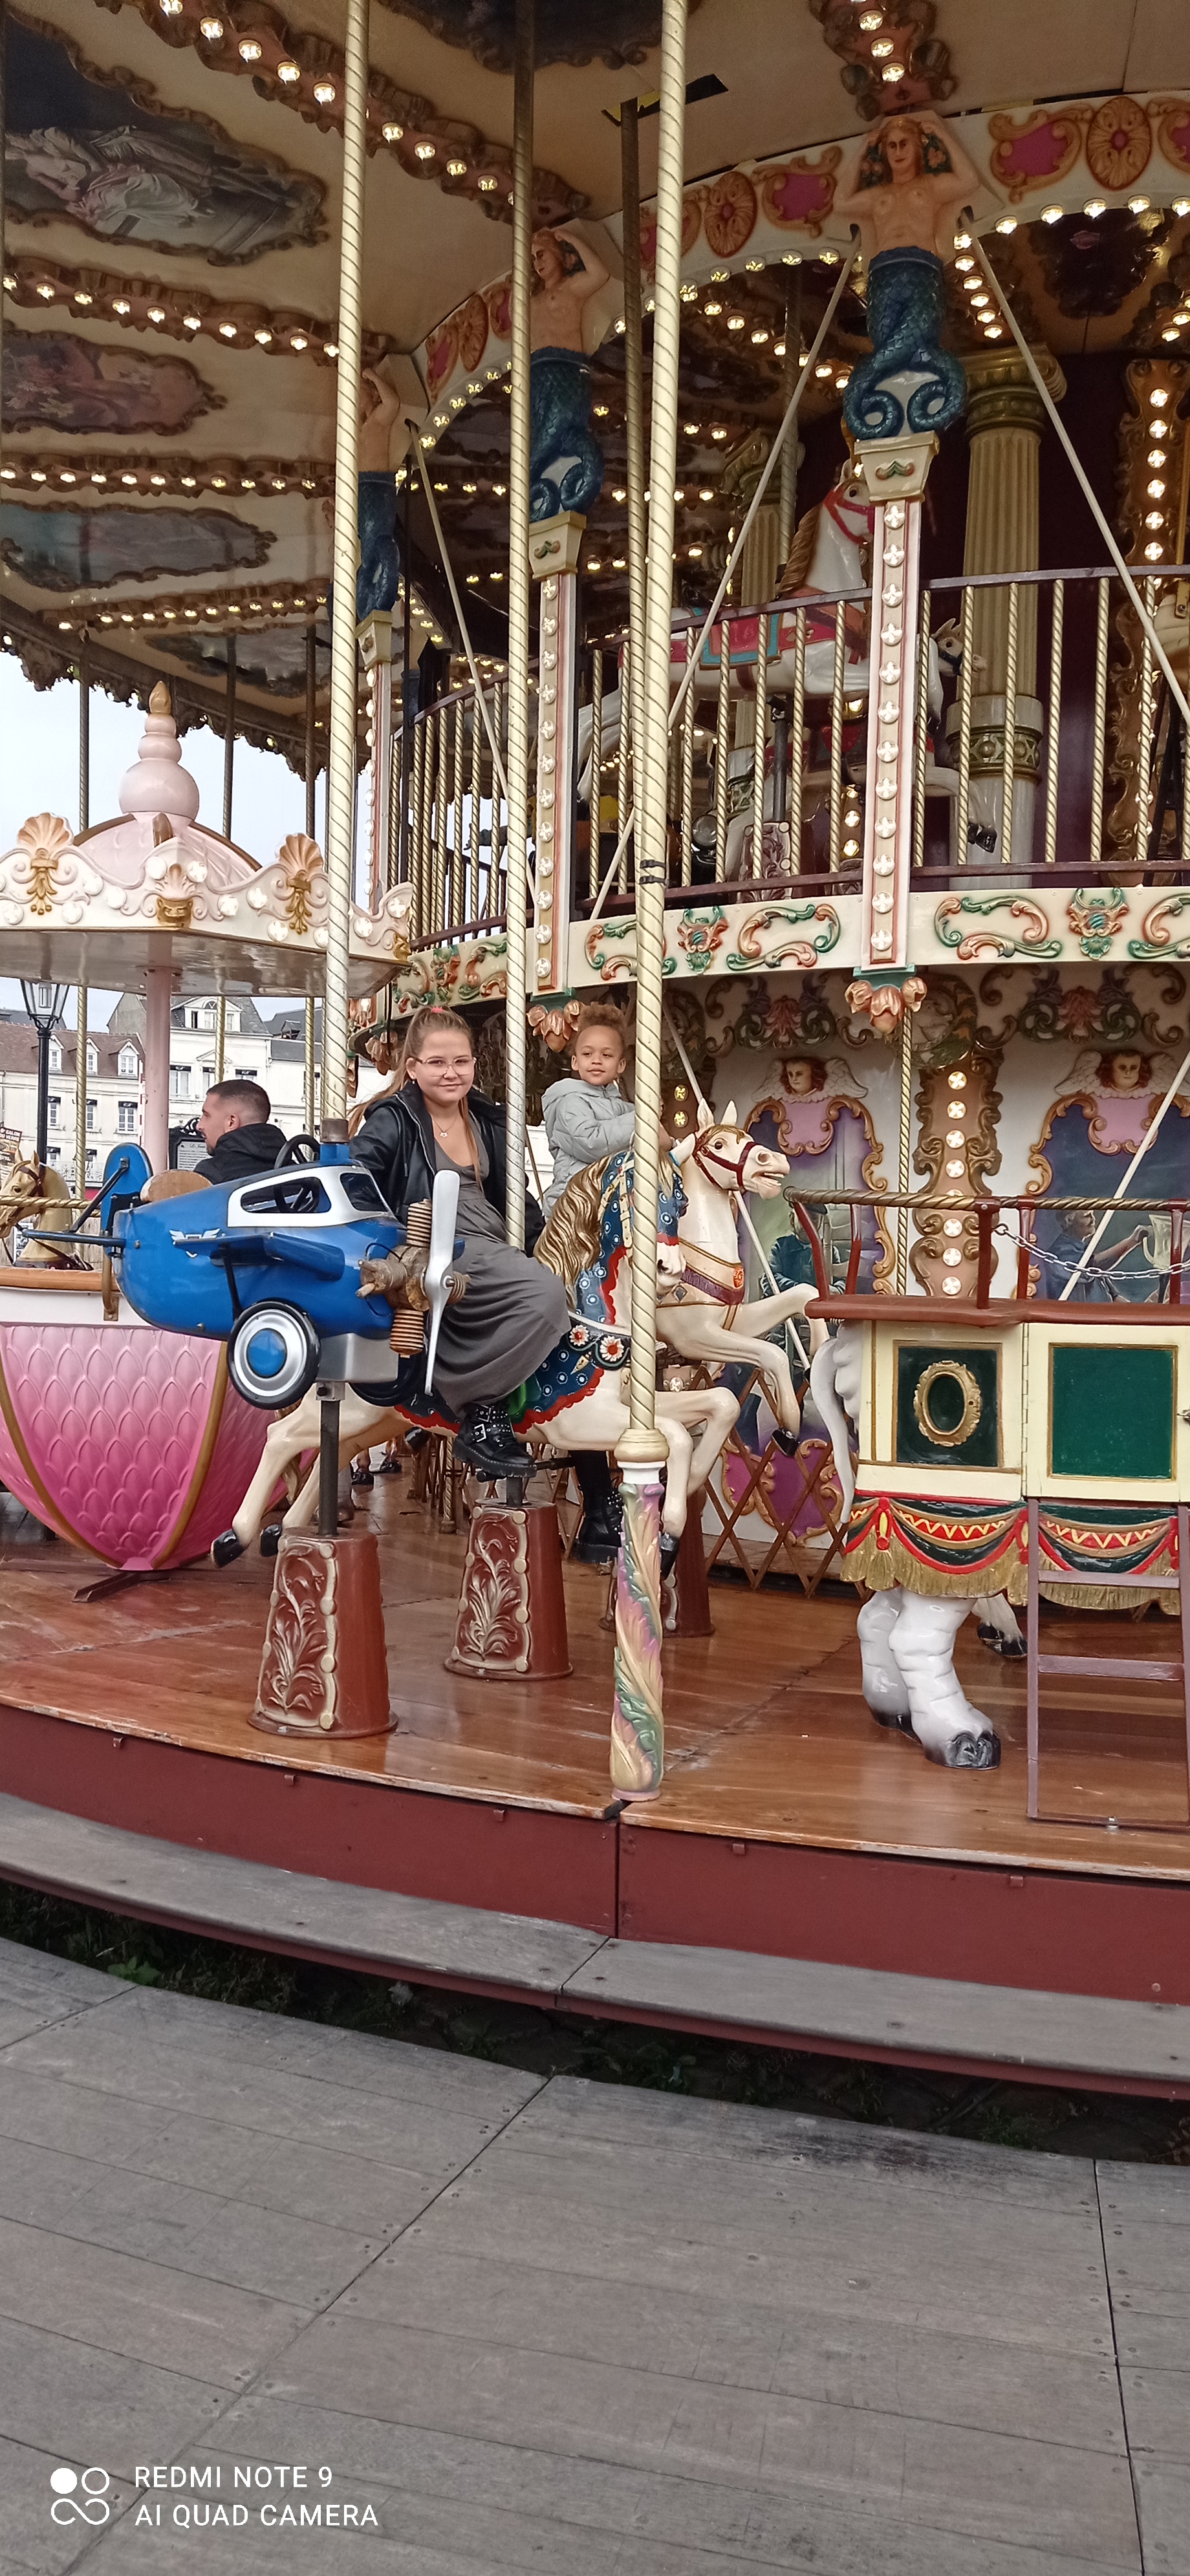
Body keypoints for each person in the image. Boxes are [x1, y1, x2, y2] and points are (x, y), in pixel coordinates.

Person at [351, 1005, 570, 1478]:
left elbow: (515, 1196)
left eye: (461, 1062)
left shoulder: (486, 1119)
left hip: (492, 1238)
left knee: (573, 1291)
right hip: (433, 1242)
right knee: (544, 1295)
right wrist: (393, 1238)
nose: (451, 1073)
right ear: (413, 1068)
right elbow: (356, 1178)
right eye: (437, 1063)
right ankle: (479, 1407)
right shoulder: (393, 1119)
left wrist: (549, 1241)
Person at [541, 1004, 636, 1216]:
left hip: (610, 1201)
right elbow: (590, 1142)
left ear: (621, 1065)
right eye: (587, 1053)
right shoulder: (569, 1101)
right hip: (574, 1205)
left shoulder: (625, 1109)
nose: (596, 1061)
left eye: (607, 1055)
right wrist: (644, 1123)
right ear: (575, 1062)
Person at [195, 1078, 288, 1183]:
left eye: (207, 1115)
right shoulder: (295, 1171)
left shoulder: (212, 1172)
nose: (199, 1126)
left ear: (231, 1122)